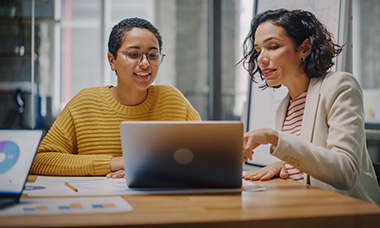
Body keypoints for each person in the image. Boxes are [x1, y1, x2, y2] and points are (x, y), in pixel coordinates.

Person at [241, 9, 380, 204]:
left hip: (348, 212)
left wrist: (275, 138)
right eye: (258, 51)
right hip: (305, 206)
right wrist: (285, 165)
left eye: (272, 46)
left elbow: (344, 172)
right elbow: (309, 159)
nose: (261, 59)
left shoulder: (340, 86)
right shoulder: (284, 107)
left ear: (304, 48)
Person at [31, 17, 201, 178]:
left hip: (159, 199)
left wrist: (151, 166)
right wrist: (116, 163)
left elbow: (204, 156)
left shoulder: (173, 100)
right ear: (111, 60)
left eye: (153, 55)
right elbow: (41, 161)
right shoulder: (84, 103)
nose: (145, 63)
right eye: (134, 54)